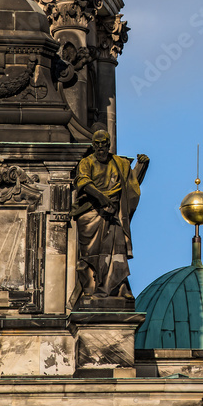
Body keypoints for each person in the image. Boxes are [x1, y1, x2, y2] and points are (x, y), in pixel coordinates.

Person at [70, 130, 149, 307]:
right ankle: (91, 288)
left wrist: (141, 167)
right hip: (90, 214)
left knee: (116, 251)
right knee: (90, 254)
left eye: (104, 144)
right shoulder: (86, 162)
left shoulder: (119, 163)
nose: (100, 148)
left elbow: (130, 184)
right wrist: (101, 197)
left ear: (108, 144)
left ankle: (117, 288)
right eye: (97, 144)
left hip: (112, 214)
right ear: (93, 145)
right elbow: (83, 182)